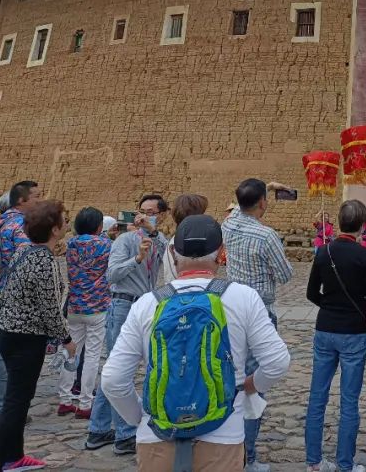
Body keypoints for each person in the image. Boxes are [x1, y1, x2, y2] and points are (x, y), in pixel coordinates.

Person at [101, 214, 290, 472]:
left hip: (156, 437)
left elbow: (112, 380)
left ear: (172, 252)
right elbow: (277, 362)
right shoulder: (243, 297)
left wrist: (142, 417)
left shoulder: (147, 303)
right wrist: (249, 386)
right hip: (223, 434)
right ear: (222, 253)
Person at [0, 199, 76, 472]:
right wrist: (67, 340)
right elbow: (49, 308)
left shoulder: (23, 252)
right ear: (55, 230)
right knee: (15, 403)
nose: (67, 223)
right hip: (25, 338)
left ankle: (14, 457)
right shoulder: (43, 261)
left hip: (8, 331)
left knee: (19, 398)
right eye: (64, 220)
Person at [86, 192, 169, 456]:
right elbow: (112, 274)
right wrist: (137, 259)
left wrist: (153, 236)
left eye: (152, 212)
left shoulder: (159, 242)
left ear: (162, 216)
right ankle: (124, 435)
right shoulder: (123, 241)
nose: (145, 216)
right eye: (141, 211)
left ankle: (98, 431)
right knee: (119, 369)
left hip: (145, 306)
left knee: (114, 369)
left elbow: (170, 257)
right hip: (123, 305)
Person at [223, 179, 294, 472]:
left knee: (231, 378)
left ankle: (227, 447)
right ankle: (247, 458)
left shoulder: (227, 225)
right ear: (263, 202)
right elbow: (286, 274)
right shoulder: (266, 236)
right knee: (254, 385)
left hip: (229, 308)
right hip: (259, 312)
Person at [304, 199, 366, 472]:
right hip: (354, 331)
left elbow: (312, 293)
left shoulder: (323, 253)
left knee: (317, 396)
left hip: (325, 328)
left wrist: (331, 307)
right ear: (363, 225)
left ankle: (314, 461)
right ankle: (345, 463)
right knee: (349, 400)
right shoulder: (365, 256)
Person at [0, 180, 39, 428]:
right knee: (8, 355)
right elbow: (26, 261)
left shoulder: (0, 221)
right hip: (11, 297)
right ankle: (1, 409)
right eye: (36, 196)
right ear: (22, 201)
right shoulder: (20, 225)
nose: (40, 199)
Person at [55, 206, 111, 420]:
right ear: (99, 226)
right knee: (92, 355)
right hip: (97, 306)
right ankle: (86, 402)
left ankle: (65, 399)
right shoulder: (106, 245)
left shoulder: (71, 244)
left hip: (75, 305)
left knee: (71, 353)